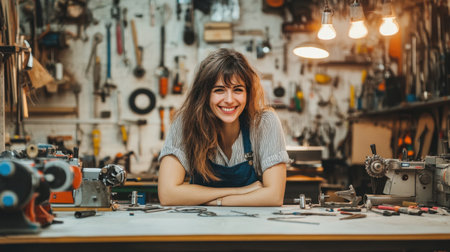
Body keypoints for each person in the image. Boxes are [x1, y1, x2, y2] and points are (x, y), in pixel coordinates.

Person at [158, 48, 289, 206]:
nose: (229, 100)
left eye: (238, 90)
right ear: (204, 94)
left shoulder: (265, 123)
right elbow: (168, 194)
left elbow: (273, 197)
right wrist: (239, 191)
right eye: (219, 90)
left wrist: (213, 201)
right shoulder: (185, 122)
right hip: (199, 225)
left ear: (248, 93)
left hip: (253, 226)